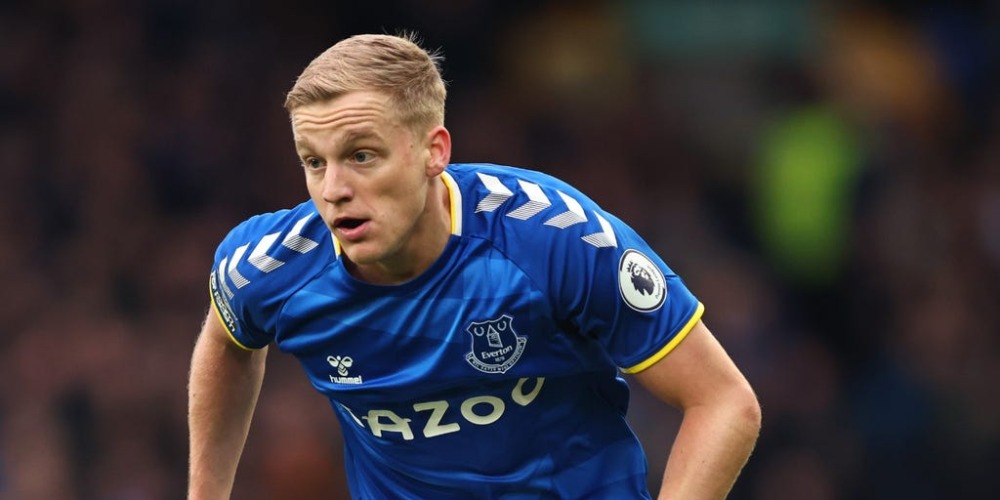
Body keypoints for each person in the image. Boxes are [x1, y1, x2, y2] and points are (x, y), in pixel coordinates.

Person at [188, 33, 761, 499]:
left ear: (434, 150)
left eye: (362, 155)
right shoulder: (271, 266)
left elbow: (723, 402)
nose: (334, 189)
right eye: (314, 162)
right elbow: (227, 342)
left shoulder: (557, 240)